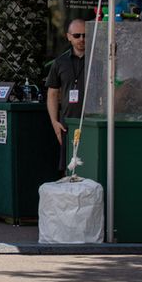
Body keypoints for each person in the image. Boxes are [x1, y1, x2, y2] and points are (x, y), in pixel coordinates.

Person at [45, 19, 86, 171]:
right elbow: (52, 93)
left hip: (91, 121)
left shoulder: (97, 61)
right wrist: (54, 122)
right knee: (67, 167)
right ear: (68, 36)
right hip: (67, 124)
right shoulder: (60, 62)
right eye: (77, 35)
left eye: (85, 35)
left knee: (90, 165)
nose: (82, 39)